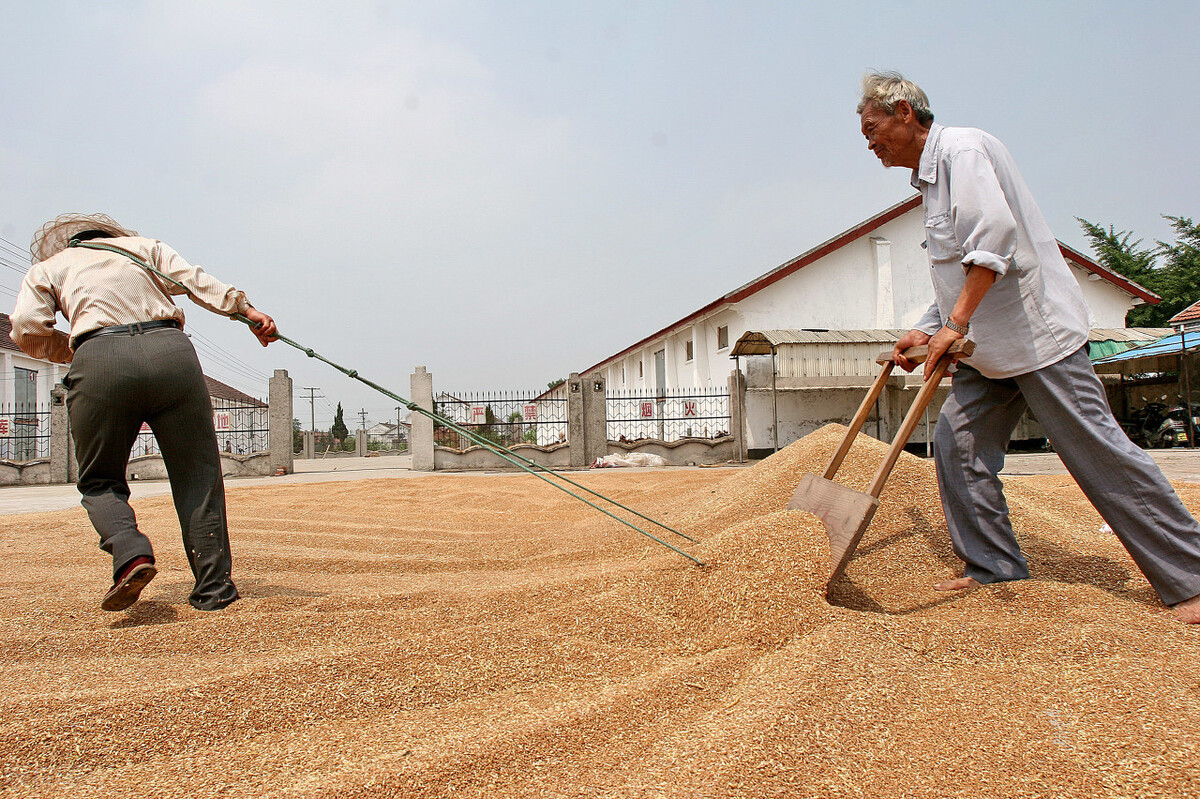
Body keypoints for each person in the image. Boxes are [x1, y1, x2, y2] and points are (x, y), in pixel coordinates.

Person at [856, 71, 1200, 623]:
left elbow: (993, 237)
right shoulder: (929, 181)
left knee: (1100, 455)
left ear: (903, 111)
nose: (869, 142)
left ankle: (1192, 578)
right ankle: (992, 565)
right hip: (986, 349)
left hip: (1039, 339)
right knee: (957, 446)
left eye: (872, 128)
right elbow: (955, 269)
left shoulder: (962, 152)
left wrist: (957, 322)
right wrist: (927, 328)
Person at [9, 213, 278, 612]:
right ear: (110, 236)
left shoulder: (48, 268)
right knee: (198, 475)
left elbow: (28, 326)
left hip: (99, 358)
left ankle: (132, 553)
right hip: (171, 352)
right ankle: (214, 590)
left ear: (69, 245)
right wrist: (247, 311)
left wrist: (74, 350)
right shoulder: (142, 248)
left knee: (100, 481)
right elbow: (195, 280)